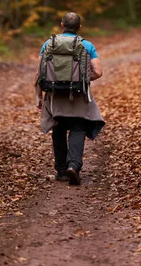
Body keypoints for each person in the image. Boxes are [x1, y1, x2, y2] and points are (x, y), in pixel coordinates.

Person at [35, 12, 105, 186]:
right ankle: (73, 165)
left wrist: (38, 96)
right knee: (77, 128)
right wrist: (82, 80)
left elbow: (39, 73)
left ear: (61, 25)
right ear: (79, 27)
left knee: (58, 129)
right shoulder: (86, 45)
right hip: (78, 96)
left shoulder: (48, 44)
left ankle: (60, 171)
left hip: (54, 96)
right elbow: (98, 72)